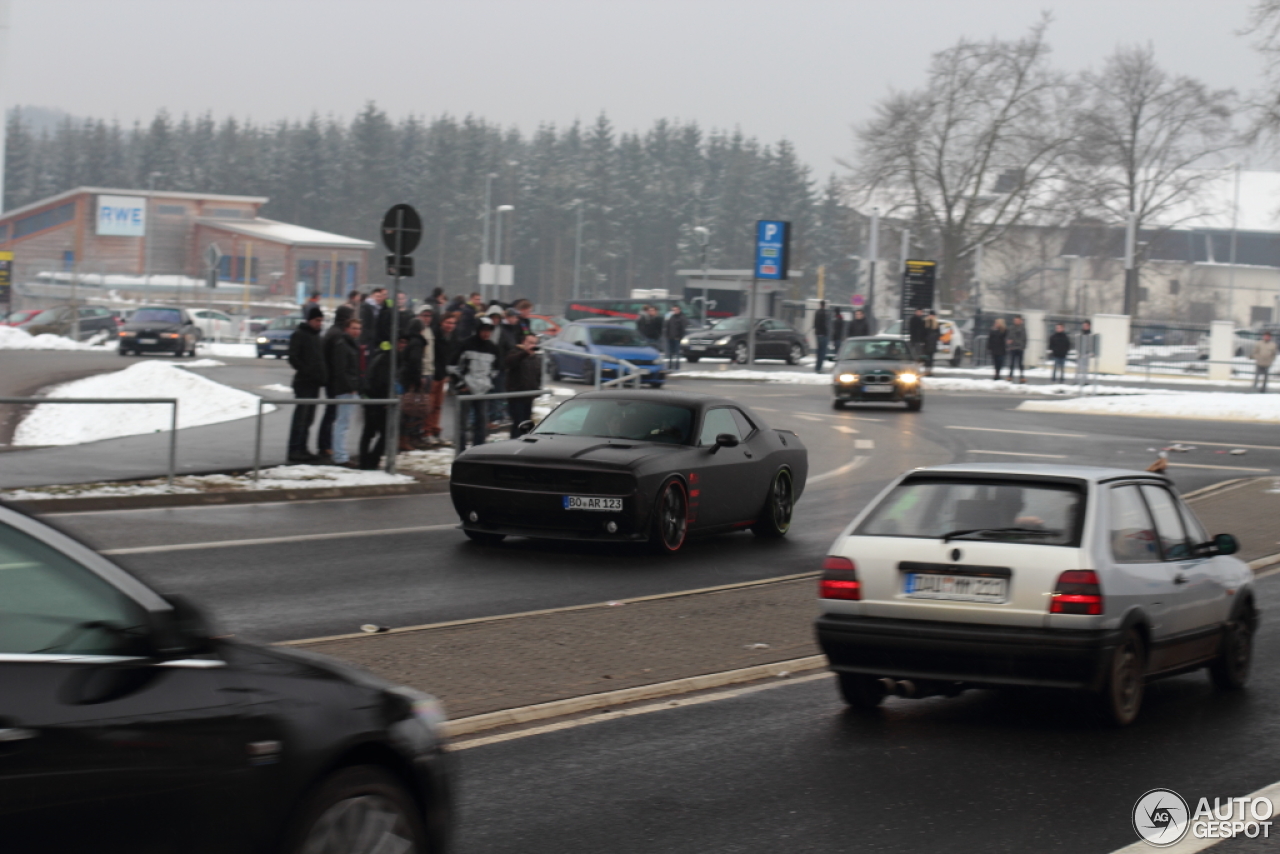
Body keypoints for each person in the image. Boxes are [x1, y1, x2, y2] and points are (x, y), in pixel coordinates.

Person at [449, 318, 500, 450]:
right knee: (462, 423)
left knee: (482, 423)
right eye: (483, 330)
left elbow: (497, 368)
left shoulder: (493, 348)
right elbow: (452, 366)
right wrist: (460, 385)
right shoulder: (465, 345)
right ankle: (460, 450)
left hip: (483, 391)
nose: (486, 333)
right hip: (466, 389)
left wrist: (488, 383)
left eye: (489, 331)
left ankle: (478, 450)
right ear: (477, 330)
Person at [286, 305, 327, 463]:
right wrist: (307, 371)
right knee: (301, 418)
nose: (319, 323)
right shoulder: (300, 334)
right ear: (309, 320)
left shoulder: (317, 337)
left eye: (321, 321)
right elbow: (293, 357)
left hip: (315, 383)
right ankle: (295, 449)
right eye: (317, 320)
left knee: (309, 418)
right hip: (304, 383)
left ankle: (303, 448)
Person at [359, 335, 407, 470]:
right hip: (378, 400)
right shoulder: (389, 359)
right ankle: (372, 461)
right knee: (385, 433)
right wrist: (386, 399)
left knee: (369, 432)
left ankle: (365, 462)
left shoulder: (382, 354)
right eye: (401, 341)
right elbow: (382, 381)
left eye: (405, 342)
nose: (403, 345)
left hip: (371, 398)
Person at [317, 306, 357, 463]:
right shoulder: (337, 335)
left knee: (332, 414)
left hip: (333, 380)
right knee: (332, 415)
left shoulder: (334, 332)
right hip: (335, 382)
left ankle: (326, 445)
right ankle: (325, 446)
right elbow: (337, 363)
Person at [323, 317, 362, 467]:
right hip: (346, 390)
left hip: (351, 388)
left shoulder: (353, 344)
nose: (356, 331)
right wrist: (351, 386)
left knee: (344, 423)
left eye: (358, 328)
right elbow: (340, 370)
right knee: (342, 423)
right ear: (347, 329)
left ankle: (341, 454)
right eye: (353, 328)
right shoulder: (343, 345)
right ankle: (340, 456)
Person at [425, 312, 458, 444]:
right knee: (430, 405)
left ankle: (435, 430)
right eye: (448, 322)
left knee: (438, 405)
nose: (450, 326)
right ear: (441, 322)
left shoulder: (453, 337)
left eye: (453, 323)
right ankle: (427, 431)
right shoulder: (435, 334)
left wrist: (448, 374)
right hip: (434, 375)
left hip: (444, 376)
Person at [505, 333, 543, 438]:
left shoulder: (535, 358)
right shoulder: (515, 352)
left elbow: (537, 375)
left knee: (526, 423)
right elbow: (509, 362)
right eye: (530, 342)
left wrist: (537, 390)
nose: (532, 345)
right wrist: (525, 353)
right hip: (516, 396)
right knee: (518, 422)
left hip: (529, 396)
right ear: (523, 342)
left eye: (534, 343)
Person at [663, 305, 687, 370]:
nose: (674, 311)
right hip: (670, 337)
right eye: (673, 310)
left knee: (677, 353)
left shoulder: (682, 318)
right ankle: (670, 365)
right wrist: (667, 335)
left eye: (675, 310)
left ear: (679, 310)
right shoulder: (671, 317)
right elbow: (667, 326)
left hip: (677, 338)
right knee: (670, 353)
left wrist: (679, 337)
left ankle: (677, 365)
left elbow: (683, 329)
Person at [1007, 315, 1028, 383]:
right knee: (1012, 363)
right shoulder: (1011, 328)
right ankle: (1010, 376)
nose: (1016, 321)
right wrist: (1009, 344)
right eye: (1015, 320)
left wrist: (1023, 347)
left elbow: (1025, 338)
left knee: (1020, 364)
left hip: (1020, 348)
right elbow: (1009, 337)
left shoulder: (1023, 328)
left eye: (1017, 320)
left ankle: (1022, 377)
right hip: (1013, 348)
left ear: (1020, 320)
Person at [813, 300, 830, 373]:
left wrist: (816, 330)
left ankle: (817, 366)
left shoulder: (817, 312)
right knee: (823, 351)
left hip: (818, 334)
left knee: (818, 350)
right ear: (824, 305)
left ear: (820, 305)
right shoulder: (825, 313)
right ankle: (820, 367)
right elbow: (825, 324)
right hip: (823, 334)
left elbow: (815, 323)